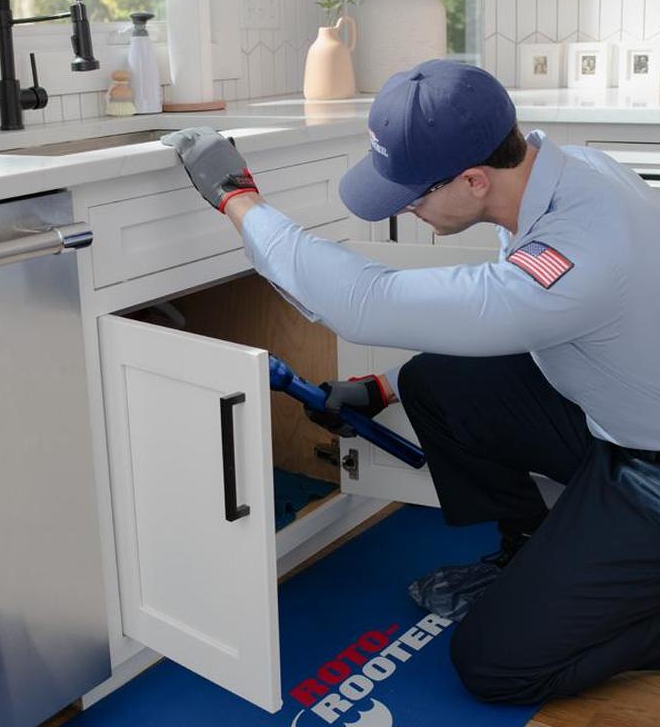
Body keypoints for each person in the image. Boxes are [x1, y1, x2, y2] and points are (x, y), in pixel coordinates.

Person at [160, 59, 660, 705]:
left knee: (492, 663)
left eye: (414, 194)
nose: (407, 207)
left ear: (475, 179)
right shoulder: (562, 175)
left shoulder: (580, 251)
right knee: (432, 380)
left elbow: (366, 300)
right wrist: (386, 387)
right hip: (615, 415)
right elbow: (535, 334)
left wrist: (237, 198)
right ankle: (529, 550)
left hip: (650, 473)